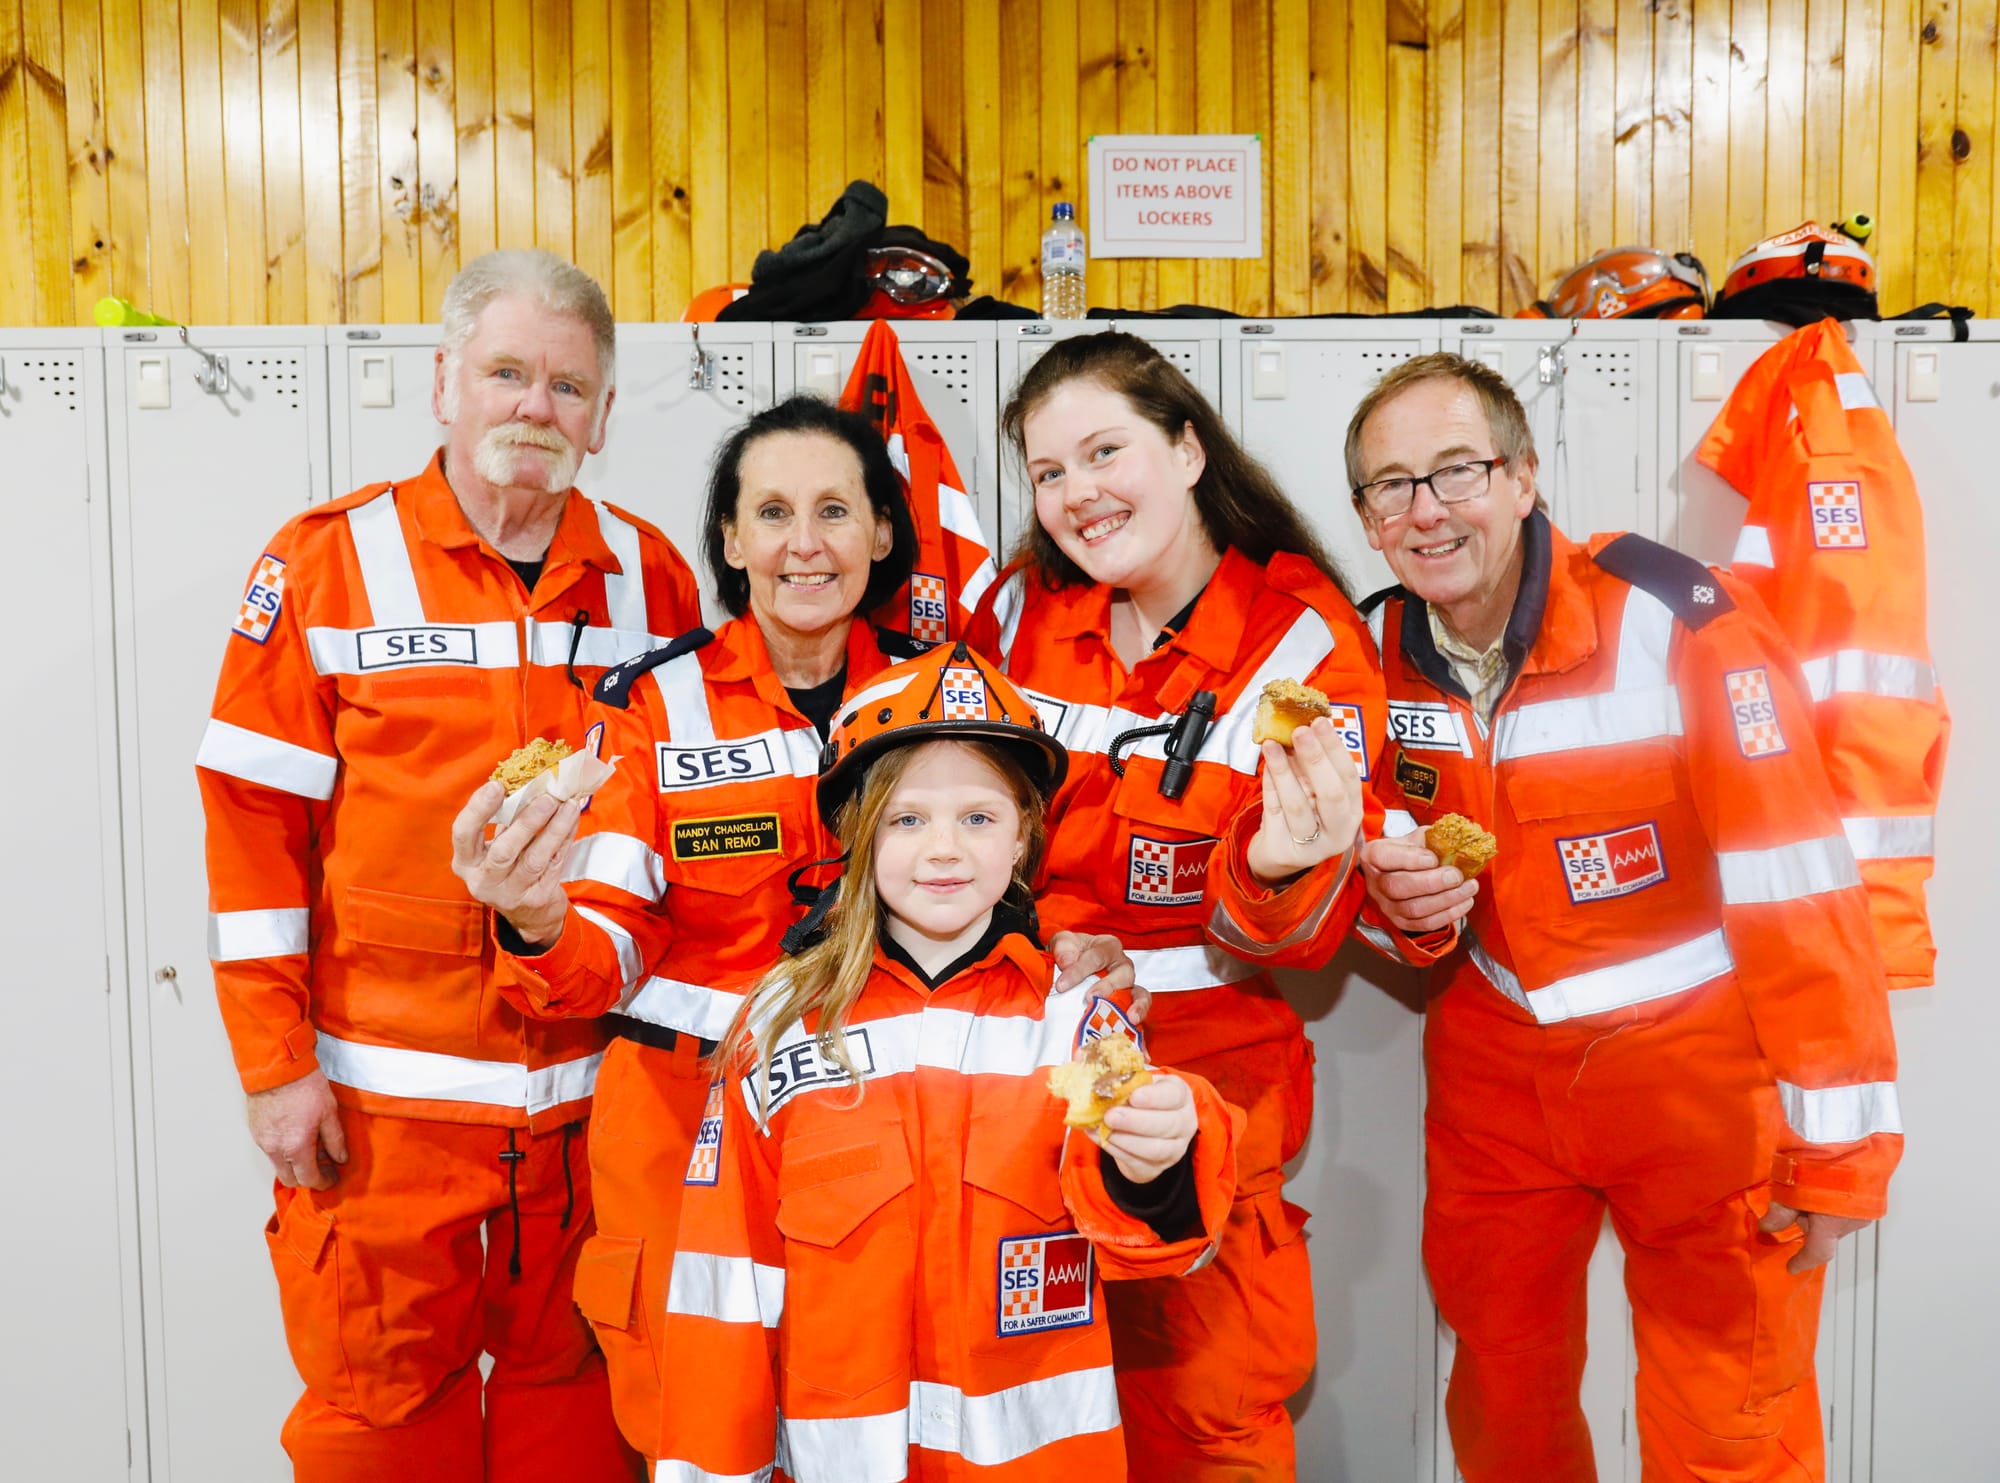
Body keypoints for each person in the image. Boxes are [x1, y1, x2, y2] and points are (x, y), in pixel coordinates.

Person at [451, 395, 1140, 1460]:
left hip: (904, 1145)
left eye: (834, 509)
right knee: (705, 1438)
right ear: (729, 542)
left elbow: (1034, 873)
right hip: (690, 1147)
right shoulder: (650, 710)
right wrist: (536, 922)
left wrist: (1079, 940)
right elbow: (596, 958)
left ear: (882, 532)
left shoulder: (952, 690)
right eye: (770, 513)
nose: (803, 544)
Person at [1347, 352, 1902, 1481]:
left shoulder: (1675, 617)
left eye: (1454, 471)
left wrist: (1839, 1152)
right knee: (1502, 1411)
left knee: (1727, 1430)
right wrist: (1385, 906)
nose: (1423, 511)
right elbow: (1354, 893)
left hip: (1693, 1082)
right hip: (1493, 1087)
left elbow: (1796, 882)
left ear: (1522, 476)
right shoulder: (1366, 658)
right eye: (1387, 486)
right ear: (1362, 516)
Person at [196, 249, 699, 1481]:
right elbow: (253, 830)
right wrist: (273, 1069)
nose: (536, 408)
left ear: (604, 413)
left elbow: (684, 833)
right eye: (507, 374)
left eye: (568, 387)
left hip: (586, 1108)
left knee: (577, 1418)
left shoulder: (652, 575)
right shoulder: (323, 563)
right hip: (384, 1117)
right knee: (376, 1418)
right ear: (443, 384)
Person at [652, 641, 1241, 1479]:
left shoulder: (1076, 1020)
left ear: (1024, 838)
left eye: (978, 817)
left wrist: (1162, 1155)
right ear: (858, 834)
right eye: (907, 818)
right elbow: (724, 1286)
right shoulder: (779, 1029)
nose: (943, 849)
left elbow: (1156, 1241)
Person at [971, 331, 1385, 1478]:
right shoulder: (1013, 617)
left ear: (1188, 447)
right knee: (1019, 1427)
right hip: (1015, 1075)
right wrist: (1050, 935)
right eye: (1048, 473)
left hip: (1208, 1086)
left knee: (1205, 1423)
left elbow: (1298, 940)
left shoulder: (1299, 643)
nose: (1077, 494)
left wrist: (1285, 863)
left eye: (1105, 450)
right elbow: (952, 833)